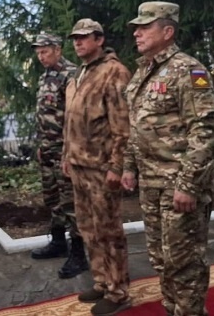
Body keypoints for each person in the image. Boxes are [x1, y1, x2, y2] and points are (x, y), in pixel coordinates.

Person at [121, 2, 214, 316]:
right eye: (136, 27)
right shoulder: (143, 71)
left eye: (144, 26)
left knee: (184, 262)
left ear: (167, 31)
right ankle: (171, 309)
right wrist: (129, 166)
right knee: (161, 259)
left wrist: (189, 185)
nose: (136, 33)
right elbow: (136, 123)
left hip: (178, 184)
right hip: (151, 183)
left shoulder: (189, 70)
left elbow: (205, 130)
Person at [62, 19, 132, 316]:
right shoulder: (80, 73)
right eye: (75, 38)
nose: (78, 42)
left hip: (102, 168)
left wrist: (118, 166)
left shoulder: (114, 72)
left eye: (84, 37)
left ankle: (118, 291)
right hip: (79, 165)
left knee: (109, 230)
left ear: (99, 39)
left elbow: (123, 126)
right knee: (88, 229)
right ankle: (102, 281)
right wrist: (67, 155)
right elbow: (71, 121)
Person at [29, 32, 87, 278]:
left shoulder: (71, 75)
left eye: (45, 52)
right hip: (48, 149)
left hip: (65, 151)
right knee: (52, 199)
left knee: (70, 202)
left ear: (58, 50)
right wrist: (41, 145)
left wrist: (69, 152)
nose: (41, 57)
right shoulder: (45, 77)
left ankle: (79, 254)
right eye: (38, 53)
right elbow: (45, 114)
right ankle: (58, 241)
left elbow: (76, 118)